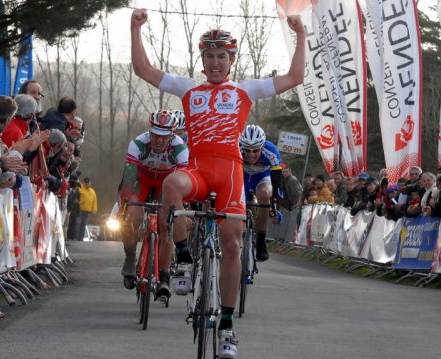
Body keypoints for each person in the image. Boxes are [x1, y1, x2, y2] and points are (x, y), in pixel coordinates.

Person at [130, 8, 305, 358]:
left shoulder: (244, 90)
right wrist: (135, 29)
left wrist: (300, 34)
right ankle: (181, 258)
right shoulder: (188, 89)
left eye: (221, 57)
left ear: (231, 59)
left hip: (230, 175)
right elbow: (143, 70)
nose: (214, 63)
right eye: (208, 57)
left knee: (232, 244)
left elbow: (295, 76)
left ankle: (226, 326)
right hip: (196, 170)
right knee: (171, 186)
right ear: (202, 59)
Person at [118, 110, 189, 296]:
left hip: (167, 183)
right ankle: (130, 256)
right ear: (150, 132)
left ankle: (164, 276)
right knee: (132, 215)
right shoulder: (138, 144)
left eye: (164, 136)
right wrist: (126, 202)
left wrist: (182, 207)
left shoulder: (180, 149)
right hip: (142, 180)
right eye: (156, 135)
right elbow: (128, 178)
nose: (159, 141)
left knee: (166, 226)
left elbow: (183, 184)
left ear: (172, 135)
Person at [239, 124, 283, 262]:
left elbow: (277, 183)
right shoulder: (236, 148)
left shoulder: (271, 151)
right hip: (242, 178)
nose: (251, 154)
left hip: (261, 179)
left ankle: (261, 240)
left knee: (264, 194)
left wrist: (275, 207)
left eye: (256, 150)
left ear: (262, 147)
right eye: (247, 150)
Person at [76, 177, 98, 242]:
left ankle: (80, 237)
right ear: (84, 183)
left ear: (90, 183)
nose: (87, 184)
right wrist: (79, 203)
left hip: (88, 211)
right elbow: (76, 197)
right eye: (86, 183)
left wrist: (94, 209)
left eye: (88, 183)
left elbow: (95, 201)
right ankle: (78, 237)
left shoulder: (92, 191)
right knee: (79, 223)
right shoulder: (80, 189)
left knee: (83, 224)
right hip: (80, 209)